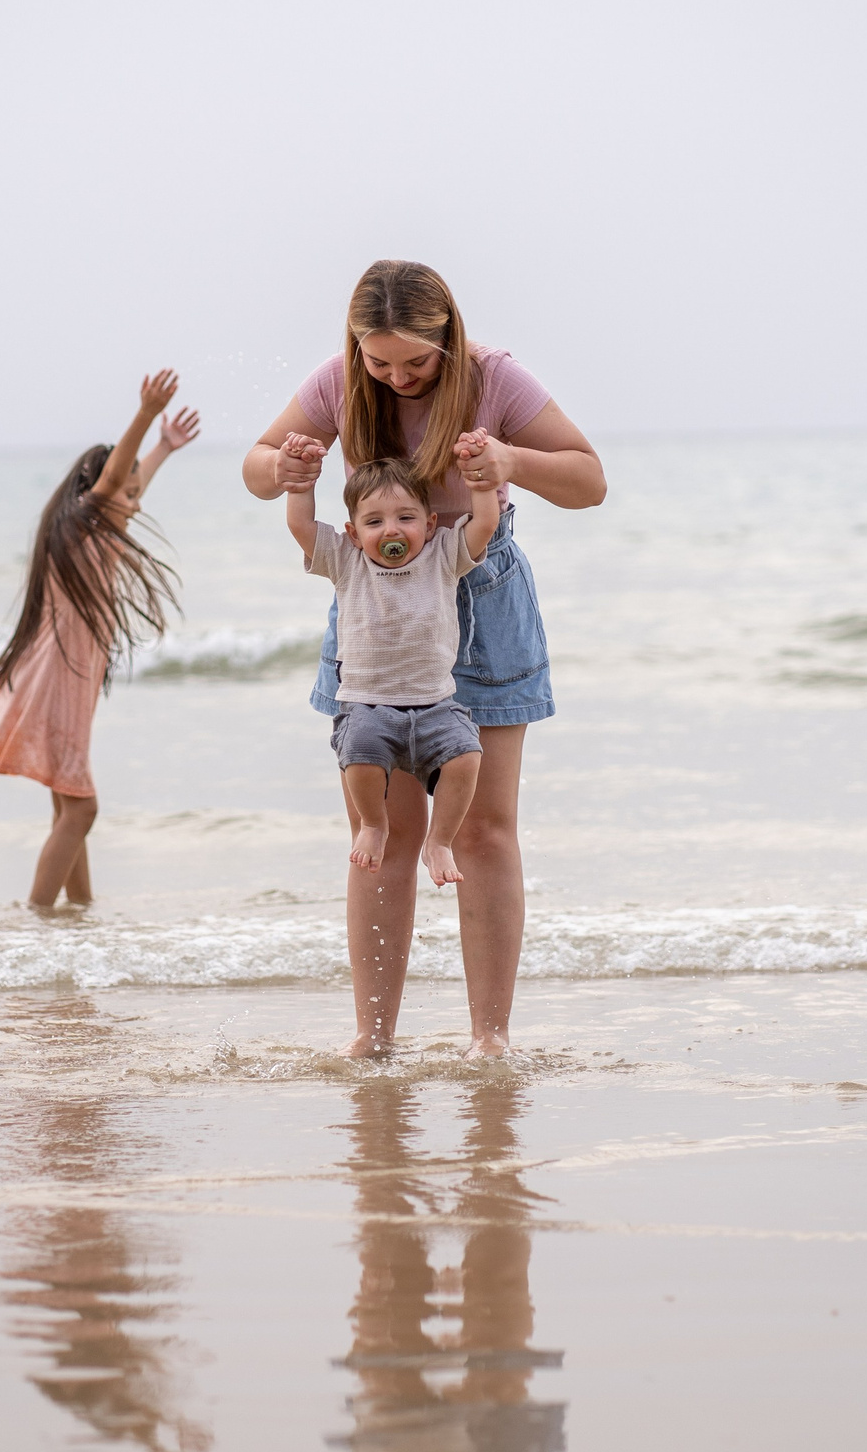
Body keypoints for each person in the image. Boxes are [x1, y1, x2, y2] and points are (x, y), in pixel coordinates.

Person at [244, 261, 606, 1057]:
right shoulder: (340, 381)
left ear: (451, 335)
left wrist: (512, 463)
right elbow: (258, 465)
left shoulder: (493, 378)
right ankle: (373, 1041)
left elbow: (589, 481)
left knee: (482, 832)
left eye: (417, 361)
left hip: (480, 596)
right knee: (385, 833)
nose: (399, 378)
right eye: (381, 363)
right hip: (377, 609)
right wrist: (286, 468)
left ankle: (491, 1041)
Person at [0, 371, 198, 910]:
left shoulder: (95, 525)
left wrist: (164, 449)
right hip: (55, 678)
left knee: (68, 807)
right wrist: (148, 415)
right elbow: (115, 487)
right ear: (98, 488)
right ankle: (36, 916)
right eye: (125, 490)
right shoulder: (87, 518)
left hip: (60, 675)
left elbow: (126, 485)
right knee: (81, 809)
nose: (135, 501)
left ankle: (79, 915)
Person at [284, 443, 503, 897]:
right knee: (358, 756)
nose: (391, 530)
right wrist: (301, 484)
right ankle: (374, 825)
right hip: (367, 705)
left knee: (467, 756)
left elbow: (485, 524)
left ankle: (439, 841)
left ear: (430, 523)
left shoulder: (443, 555)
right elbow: (300, 525)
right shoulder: (346, 561)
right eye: (375, 522)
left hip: (436, 705)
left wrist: (481, 484)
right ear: (352, 531)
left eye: (405, 518)